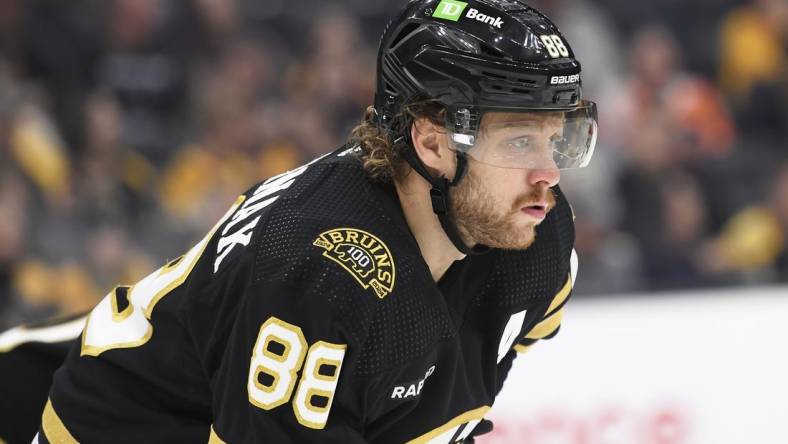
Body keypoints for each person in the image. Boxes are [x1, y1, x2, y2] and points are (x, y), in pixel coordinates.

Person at [0, 0, 598, 442]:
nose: (550, 174)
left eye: (560, 139)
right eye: (521, 142)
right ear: (434, 142)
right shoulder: (321, 270)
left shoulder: (539, 239)